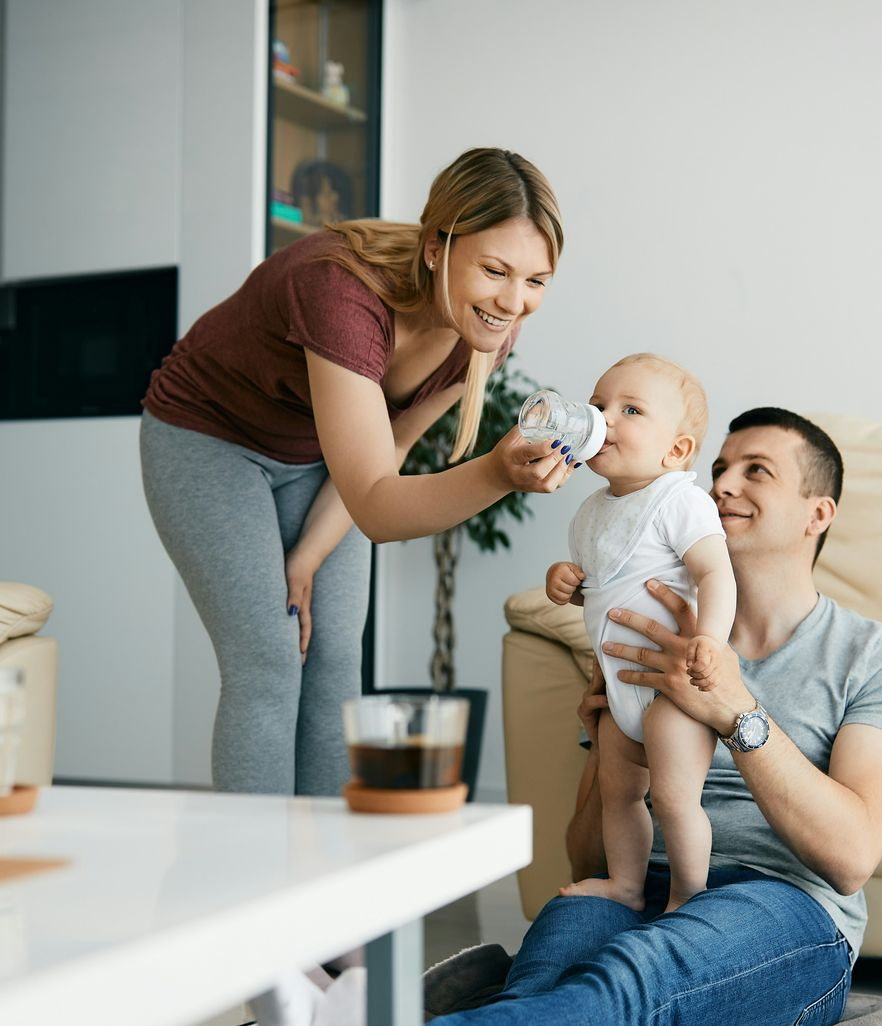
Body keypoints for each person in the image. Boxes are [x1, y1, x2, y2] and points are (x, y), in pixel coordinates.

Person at [437, 407, 882, 1026]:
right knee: (543, 985)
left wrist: (735, 710)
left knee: (628, 981)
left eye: (757, 472)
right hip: (637, 882)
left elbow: (851, 858)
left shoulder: (878, 658)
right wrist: (606, 734)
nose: (722, 484)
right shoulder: (642, 635)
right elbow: (583, 856)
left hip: (781, 904)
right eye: (720, 468)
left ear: (818, 513)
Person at [139, 148, 575, 796]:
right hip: (209, 438)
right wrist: (498, 474)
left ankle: (326, 873)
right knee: (268, 660)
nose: (514, 301)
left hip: (319, 458)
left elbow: (389, 448)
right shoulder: (340, 290)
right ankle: (254, 876)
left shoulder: (488, 328)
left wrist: (308, 556)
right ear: (436, 248)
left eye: (536, 280)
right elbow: (376, 503)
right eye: (495, 270)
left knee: (338, 659)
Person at [542, 354, 735, 915]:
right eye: (599, 405)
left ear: (675, 451)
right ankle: (626, 884)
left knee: (675, 798)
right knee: (619, 794)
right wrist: (566, 582)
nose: (605, 418)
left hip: (673, 687)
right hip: (619, 685)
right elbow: (600, 587)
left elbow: (714, 572)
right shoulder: (589, 514)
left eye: (630, 409)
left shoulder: (680, 499)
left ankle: (686, 894)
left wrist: (712, 642)